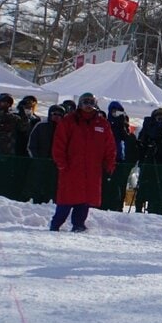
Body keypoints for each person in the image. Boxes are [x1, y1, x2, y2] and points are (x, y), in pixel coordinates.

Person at [49, 92, 116, 232]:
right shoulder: (69, 121)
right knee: (66, 199)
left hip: (92, 170)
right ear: (80, 104)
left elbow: (110, 147)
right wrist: (61, 162)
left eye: (91, 102)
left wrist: (109, 164)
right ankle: (56, 224)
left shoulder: (102, 124)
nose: (88, 106)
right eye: (85, 102)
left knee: (85, 199)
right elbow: (59, 144)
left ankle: (79, 225)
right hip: (71, 168)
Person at [25, 104, 64, 204]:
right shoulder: (41, 126)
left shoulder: (64, 129)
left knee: (53, 187)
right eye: (54, 114)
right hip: (40, 163)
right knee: (37, 186)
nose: (57, 117)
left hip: (57, 165)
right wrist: (37, 159)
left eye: (60, 115)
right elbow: (31, 144)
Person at [101, 102, 137, 211]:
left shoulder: (124, 126)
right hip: (106, 159)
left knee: (118, 186)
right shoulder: (106, 124)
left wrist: (123, 124)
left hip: (120, 160)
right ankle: (103, 205)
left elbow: (127, 140)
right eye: (114, 111)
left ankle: (117, 206)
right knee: (105, 185)